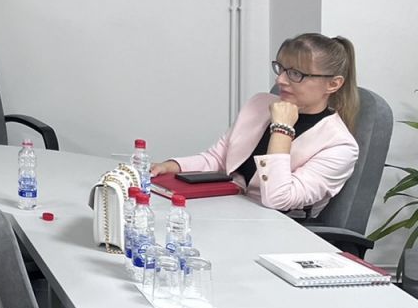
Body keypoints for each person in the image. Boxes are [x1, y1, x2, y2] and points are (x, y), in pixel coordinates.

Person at [152, 33, 360, 217]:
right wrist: (170, 166)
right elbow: (218, 159)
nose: (280, 80)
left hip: (281, 228)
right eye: (281, 69)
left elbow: (279, 199)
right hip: (230, 209)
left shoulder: (340, 146)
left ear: (333, 84)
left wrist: (282, 129)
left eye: (296, 74)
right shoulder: (260, 103)